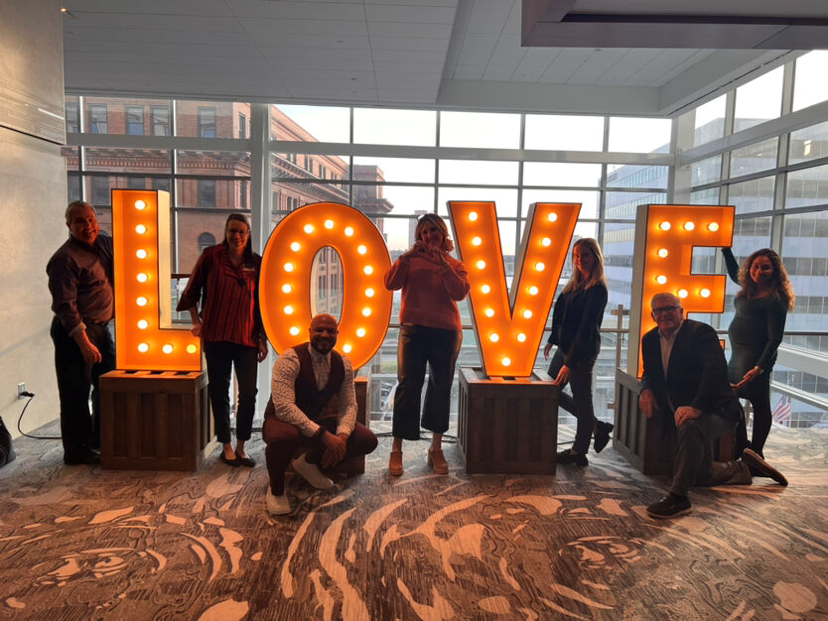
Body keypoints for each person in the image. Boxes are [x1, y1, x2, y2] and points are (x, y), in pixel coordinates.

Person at [639, 293, 788, 519]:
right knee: (699, 475)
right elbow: (650, 371)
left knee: (691, 427)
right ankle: (745, 468)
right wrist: (646, 389)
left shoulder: (701, 333)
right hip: (684, 411)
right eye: (659, 311)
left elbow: (715, 372)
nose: (665, 314)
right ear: (653, 315)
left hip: (718, 409)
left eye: (671, 308)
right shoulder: (649, 340)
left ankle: (679, 498)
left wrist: (697, 407)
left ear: (681, 311)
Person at [262, 314, 378, 515]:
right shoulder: (289, 359)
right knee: (284, 437)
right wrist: (324, 435)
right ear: (309, 332)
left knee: (367, 440)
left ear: (337, 335)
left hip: (317, 419)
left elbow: (349, 405)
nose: (325, 334)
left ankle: (308, 463)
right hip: (282, 421)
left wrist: (341, 437)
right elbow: (284, 407)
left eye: (330, 331)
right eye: (319, 330)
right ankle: (276, 489)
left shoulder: (343, 363)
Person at [177, 213, 268, 467]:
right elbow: (191, 290)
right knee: (219, 391)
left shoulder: (256, 263)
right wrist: (196, 321)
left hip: (247, 337)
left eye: (241, 231)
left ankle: (242, 445)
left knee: (249, 393)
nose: (236, 236)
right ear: (225, 232)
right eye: (232, 231)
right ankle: (226, 445)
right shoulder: (211, 257)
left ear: (248, 234)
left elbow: (262, 304)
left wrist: (263, 338)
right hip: (216, 335)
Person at [383, 213, 470, 476]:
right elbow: (390, 283)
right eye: (424, 232)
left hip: (446, 331)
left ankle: (436, 448)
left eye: (434, 231)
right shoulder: (409, 261)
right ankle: (396, 449)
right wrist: (407, 257)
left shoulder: (455, 264)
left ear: (443, 234)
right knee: (408, 385)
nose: (429, 236)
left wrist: (442, 263)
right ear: (419, 236)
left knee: (440, 387)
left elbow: (459, 292)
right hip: (413, 329)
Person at [47, 201, 116, 465]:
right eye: (79, 222)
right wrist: (84, 342)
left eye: (90, 219)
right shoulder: (65, 259)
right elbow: (65, 306)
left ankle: (98, 439)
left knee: (108, 384)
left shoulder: (101, 246)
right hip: (76, 333)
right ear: (69, 226)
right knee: (76, 391)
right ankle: (76, 451)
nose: (87, 226)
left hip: (101, 328)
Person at [544, 238, 612, 467]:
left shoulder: (597, 289)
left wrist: (570, 363)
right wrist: (553, 340)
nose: (580, 259)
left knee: (583, 400)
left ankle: (578, 451)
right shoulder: (576, 283)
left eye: (585, 255)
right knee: (550, 392)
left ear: (596, 257)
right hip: (565, 348)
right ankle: (596, 426)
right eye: (577, 255)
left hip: (581, 352)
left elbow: (585, 330)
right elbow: (562, 316)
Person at [721, 247, 794, 457]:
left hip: (755, 358)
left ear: (775, 271)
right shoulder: (749, 287)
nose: (759, 272)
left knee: (759, 401)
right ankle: (743, 445)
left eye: (765, 268)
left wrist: (759, 368)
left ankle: (756, 452)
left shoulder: (775, 299)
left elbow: (775, 339)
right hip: (737, 355)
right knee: (728, 394)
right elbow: (735, 273)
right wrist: (726, 250)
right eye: (755, 266)